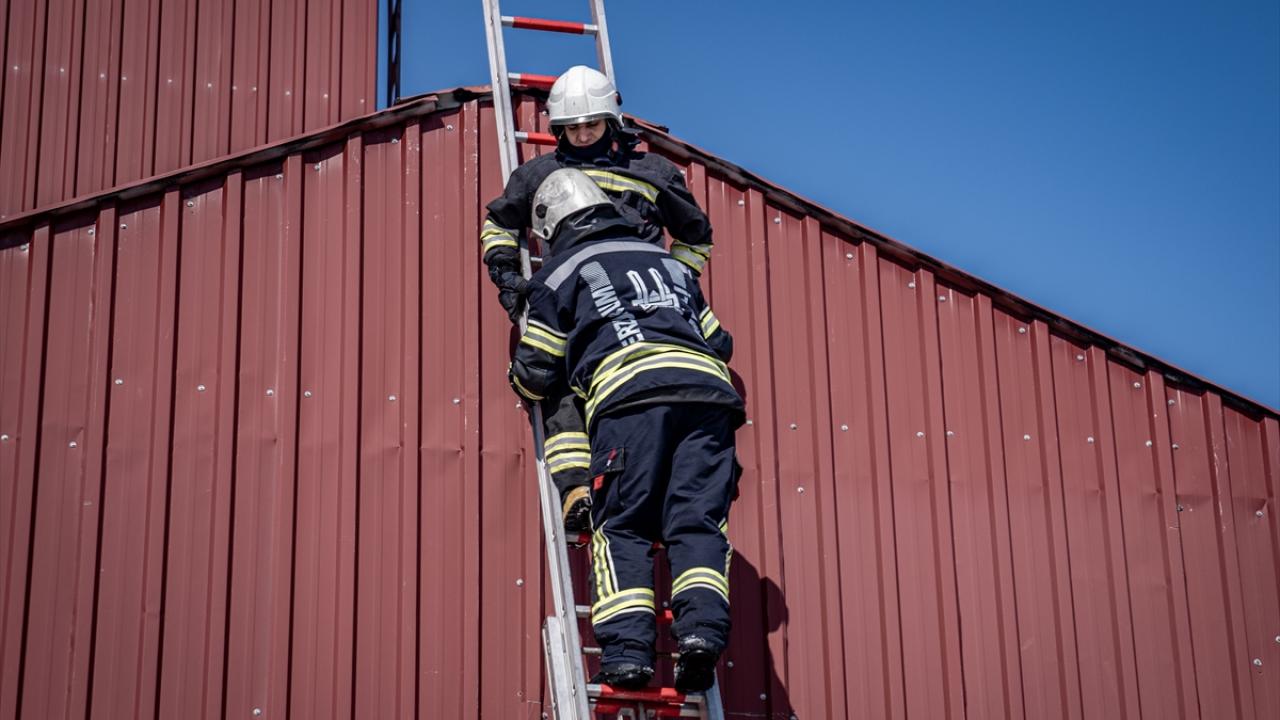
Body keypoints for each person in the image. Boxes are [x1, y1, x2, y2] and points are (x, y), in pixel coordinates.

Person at [508, 168, 742, 693]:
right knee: (697, 522)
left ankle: (628, 654)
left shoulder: (560, 273)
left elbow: (537, 371)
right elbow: (719, 341)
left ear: (549, 228)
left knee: (624, 524)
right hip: (710, 399)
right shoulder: (670, 265)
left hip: (632, 401)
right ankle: (701, 636)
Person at [481, 65, 716, 532]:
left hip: (644, 313)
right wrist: (507, 276)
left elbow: (696, 235)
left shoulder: (652, 172)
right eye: (571, 127)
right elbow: (499, 224)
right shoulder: (539, 173)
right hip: (574, 302)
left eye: (591, 124)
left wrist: (677, 285)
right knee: (559, 383)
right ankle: (576, 491)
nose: (582, 134)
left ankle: (652, 494)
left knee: (643, 394)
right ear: (557, 129)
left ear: (612, 121)